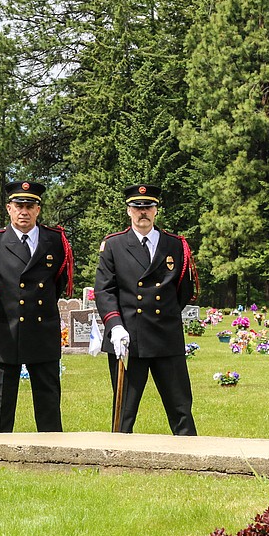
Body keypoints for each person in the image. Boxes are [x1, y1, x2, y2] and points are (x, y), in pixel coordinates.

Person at [0, 180, 73, 433]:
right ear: (8, 209)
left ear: (38, 209)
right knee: (2, 402)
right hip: (7, 329)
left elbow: (58, 283)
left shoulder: (55, 240)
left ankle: (53, 451)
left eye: (29, 205)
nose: (23, 211)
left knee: (48, 400)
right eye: (18, 205)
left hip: (42, 329)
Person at [94, 183, 199, 436]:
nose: (143, 212)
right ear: (128, 211)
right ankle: (117, 460)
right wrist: (115, 325)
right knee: (124, 411)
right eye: (137, 207)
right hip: (128, 338)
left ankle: (192, 460)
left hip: (165, 337)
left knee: (180, 407)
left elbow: (183, 290)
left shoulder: (175, 245)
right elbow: (104, 290)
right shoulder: (114, 245)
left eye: (148, 207)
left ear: (156, 211)